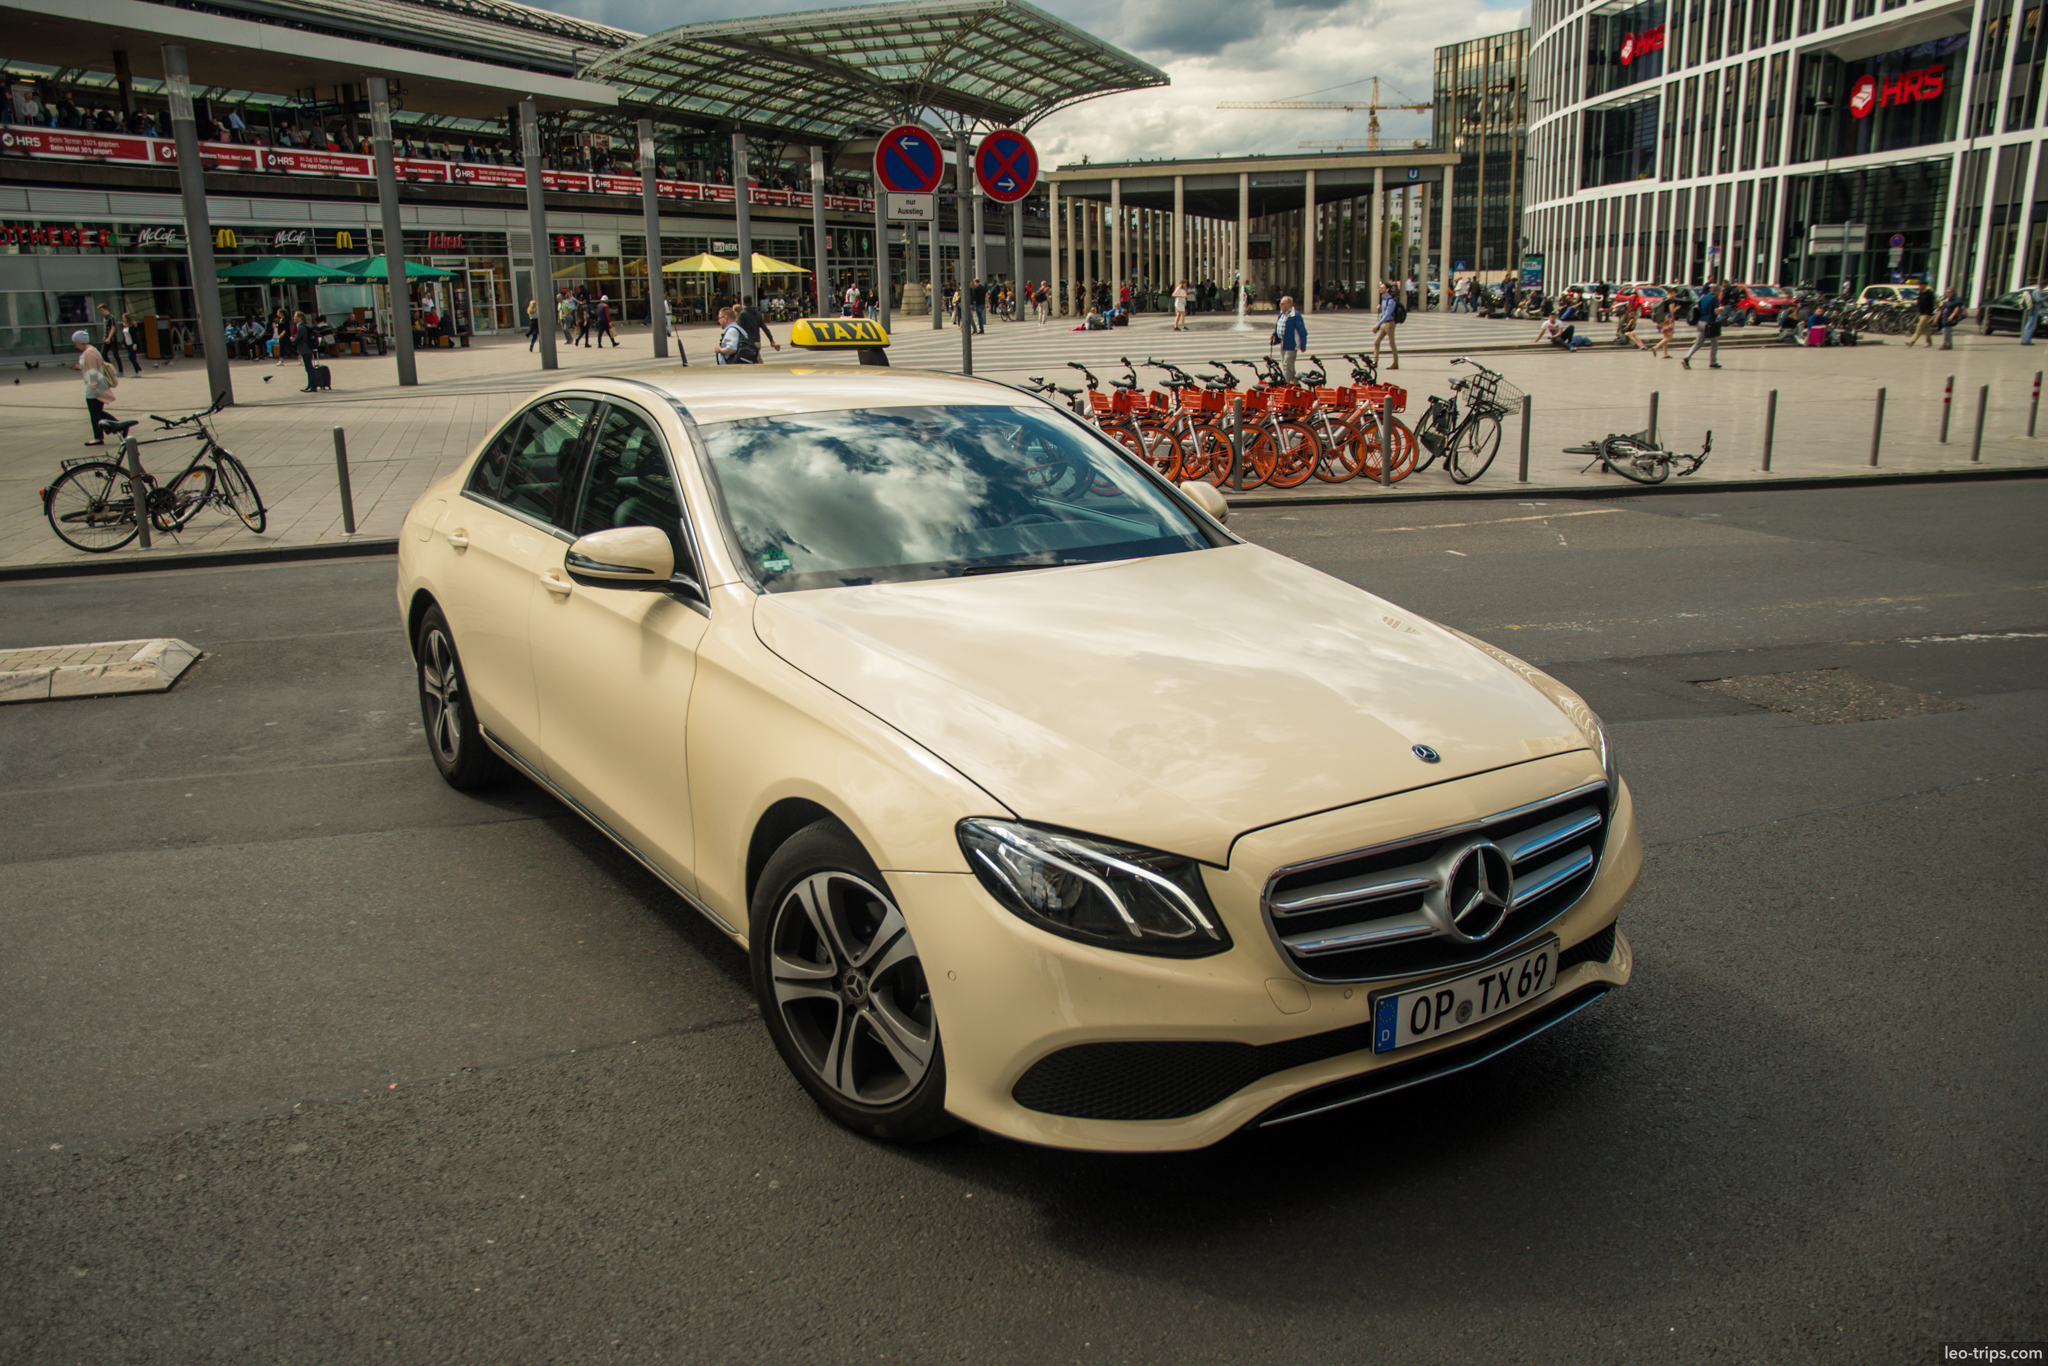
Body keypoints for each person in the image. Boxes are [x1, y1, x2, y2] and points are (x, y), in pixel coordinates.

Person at [72, 329, 115, 446]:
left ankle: (101, 435)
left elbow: (92, 371)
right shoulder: (92, 350)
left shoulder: (89, 353)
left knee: (95, 413)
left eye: (75, 342)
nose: (75, 345)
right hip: (97, 384)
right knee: (97, 412)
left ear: (81, 342)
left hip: (94, 386)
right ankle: (116, 426)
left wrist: (93, 386)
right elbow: (91, 367)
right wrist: (80, 368)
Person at [1681, 290, 1722, 369]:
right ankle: (1712, 362)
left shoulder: (1703, 297)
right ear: (1716, 290)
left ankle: (1687, 358)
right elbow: (1716, 311)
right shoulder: (1714, 298)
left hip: (1700, 322)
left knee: (1698, 343)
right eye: (1719, 290)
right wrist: (1722, 309)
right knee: (1714, 343)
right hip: (1709, 323)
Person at [1272, 294, 1306, 382]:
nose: (1280, 305)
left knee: (1287, 364)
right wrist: (1274, 334)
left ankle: (1285, 384)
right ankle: (1295, 383)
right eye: (1280, 303)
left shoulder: (1295, 315)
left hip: (1291, 343)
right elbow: (1279, 325)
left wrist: (1303, 345)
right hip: (1283, 342)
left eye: (1282, 303)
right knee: (1286, 364)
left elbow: (1302, 331)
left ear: (1289, 305)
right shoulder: (1281, 314)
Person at [735, 295, 780, 362]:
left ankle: (762, 370)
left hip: (747, 343)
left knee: (755, 360)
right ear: (752, 303)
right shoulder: (758, 314)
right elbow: (765, 328)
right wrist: (771, 340)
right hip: (757, 342)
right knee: (754, 359)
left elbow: (739, 329)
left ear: (743, 302)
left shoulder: (743, 314)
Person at [1373, 280, 1401, 371]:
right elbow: (1384, 312)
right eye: (1381, 288)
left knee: (1391, 343)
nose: (1381, 289)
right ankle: (1375, 362)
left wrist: (1377, 324)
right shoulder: (1384, 299)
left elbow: (1387, 314)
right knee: (1376, 342)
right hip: (1384, 323)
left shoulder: (1391, 301)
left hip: (1390, 323)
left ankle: (1395, 363)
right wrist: (1380, 307)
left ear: (1387, 289)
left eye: (1383, 288)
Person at [293, 310, 319, 390]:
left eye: (295, 316)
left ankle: (313, 386)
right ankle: (310, 385)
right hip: (307, 349)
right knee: (308, 368)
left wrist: (292, 339)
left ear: (300, 318)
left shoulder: (301, 327)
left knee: (309, 368)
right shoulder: (304, 326)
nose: (294, 318)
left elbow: (297, 339)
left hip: (305, 349)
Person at [1936, 286, 1965, 351]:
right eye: (1947, 292)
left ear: (1953, 292)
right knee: (1947, 330)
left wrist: (1952, 315)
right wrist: (1938, 317)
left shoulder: (1956, 299)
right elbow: (1942, 308)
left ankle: (1945, 344)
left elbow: (1957, 307)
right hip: (1945, 316)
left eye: (1949, 292)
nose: (1948, 293)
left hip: (1950, 317)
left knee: (1946, 330)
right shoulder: (1946, 299)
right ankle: (1949, 344)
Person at [1909, 284, 1937, 348]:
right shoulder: (1921, 293)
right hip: (1921, 312)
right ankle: (1929, 343)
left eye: (1921, 285)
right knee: (1925, 329)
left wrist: (1939, 308)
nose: (1920, 286)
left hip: (1928, 313)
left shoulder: (1929, 293)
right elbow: (1918, 301)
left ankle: (1912, 341)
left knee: (1919, 326)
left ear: (1924, 285)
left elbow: (1935, 300)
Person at [2023, 278, 2048, 345]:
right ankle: (2026, 340)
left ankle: (2027, 340)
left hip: (2033, 309)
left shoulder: (2037, 290)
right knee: (2030, 325)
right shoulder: (2038, 291)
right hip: (2033, 310)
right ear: (2044, 284)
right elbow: (2038, 300)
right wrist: (2045, 298)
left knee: (2030, 325)